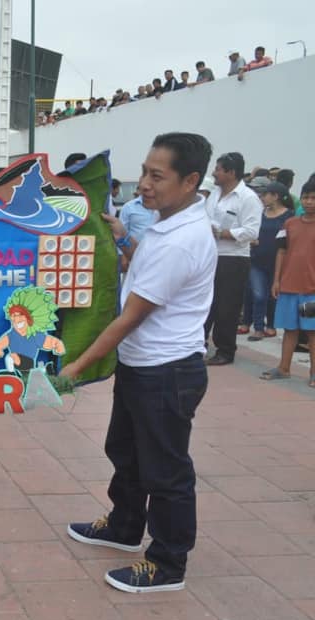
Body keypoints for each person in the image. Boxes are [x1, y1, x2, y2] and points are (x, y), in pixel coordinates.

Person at [62, 132, 216, 593]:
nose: (144, 184)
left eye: (157, 176)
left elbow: (130, 317)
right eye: (145, 172)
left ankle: (167, 564)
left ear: (190, 181)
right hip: (143, 365)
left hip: (166, 372)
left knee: (165, 471)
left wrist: (76, 366)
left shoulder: (181, 241)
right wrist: (125, 240)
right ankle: (125, 526)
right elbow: (144, 276)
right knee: (126, 452)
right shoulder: (165, 225)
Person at [203, 151, 262, 365]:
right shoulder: (214, 195)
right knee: (205, 303)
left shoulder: (248, 198)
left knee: (227, 306)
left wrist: (222, 233)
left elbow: (252, 232)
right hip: (210, 255)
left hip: (233, 258)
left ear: (231, 172)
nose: (214, 173)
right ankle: (197, 345)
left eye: (218, 169)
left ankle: (225, 351)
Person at [261, 179, 315, 386]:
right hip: (289, 287)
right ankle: (283, 368)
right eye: (306, 197)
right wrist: (277, 280)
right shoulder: (289, 224)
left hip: (311, 291)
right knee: (289, 329)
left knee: (312, 332)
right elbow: (281, 252)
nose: (309, 202)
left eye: (313, 198)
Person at [239, 182, 293, 341]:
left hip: (278, 261)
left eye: (265, 194)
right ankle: (258, 328)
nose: (261, 197)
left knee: (272, 295)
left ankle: (271, 325)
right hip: (257, 260)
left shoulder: (289, 216)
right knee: (258, 294)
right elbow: (251, 230)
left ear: (275, 196)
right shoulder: (260, 213)